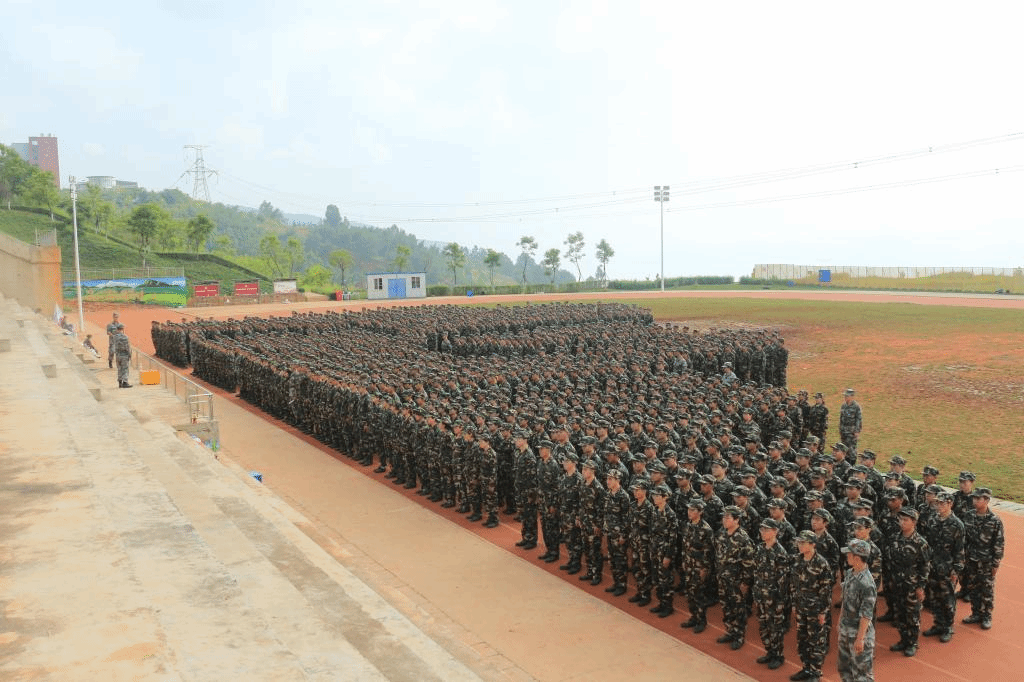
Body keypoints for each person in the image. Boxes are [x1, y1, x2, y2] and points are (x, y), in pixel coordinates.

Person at [790, 530, 834, 682]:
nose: (799, 545)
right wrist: (794, 605)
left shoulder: (821, 564)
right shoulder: (797, 560)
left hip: (815, 610)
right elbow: (793, 584)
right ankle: (806, 668)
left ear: (813, 544)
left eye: (803, 543)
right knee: (802, 640)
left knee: (816, 642)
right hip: (801, 607)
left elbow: (826, 591)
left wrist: (823, 612)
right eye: (799, 542)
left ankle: (815, 673)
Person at [888, 507, 930, 657]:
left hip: (912, 585)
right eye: (900, 519)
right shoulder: (894, 538)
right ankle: (903, 639)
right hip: (897, 583)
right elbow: (890, 559)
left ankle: (912, 643)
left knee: (912, 615)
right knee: (900, 614)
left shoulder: (920, 542)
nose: (902, 522)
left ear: (914, 522)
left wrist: (921, 587)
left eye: (906, 520)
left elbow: (925, 566)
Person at [961, 487, 1004, 630]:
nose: (975, 501)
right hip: (971, 559)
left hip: (986, 562)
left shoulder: (995, 520)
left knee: (986, 589)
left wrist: (996, 563)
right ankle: (975, 613)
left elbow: (999, 543)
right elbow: (964, 538)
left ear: (986, 500)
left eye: (978, 498)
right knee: (973, 587)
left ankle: (986, 616)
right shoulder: (969, 516)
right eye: (974, 498)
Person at [715, 505, 755, 650]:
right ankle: (730, 631)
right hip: (723, 578)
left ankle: (739, 636)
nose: (724, 520)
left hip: (737, 582)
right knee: (726, 607)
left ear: (737, 520)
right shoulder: (721, 533)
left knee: (738, 609)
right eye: (723, 517)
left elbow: (749, 563)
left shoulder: (743, 539)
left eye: (728, 517)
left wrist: (745, 583)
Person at [837, 539, 877, 682]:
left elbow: (866, 614)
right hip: (846, 629)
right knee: (844, 669)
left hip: (858, 633)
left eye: (849, 554)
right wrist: (840, 621)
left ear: (857, 558)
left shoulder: (867, 584)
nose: (846, 556)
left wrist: (860, 639)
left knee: (861, 675)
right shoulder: (850, 573)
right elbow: (845, 599)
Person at [753, 518, 790, 670]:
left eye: (766, 530)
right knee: (763, 627)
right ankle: (769, 652)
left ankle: (778, 656)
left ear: (775, 531)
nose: (763, 532)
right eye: (761, 529)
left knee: (775, 628)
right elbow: (756, 571)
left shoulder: (780, 553)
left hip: (774, 599)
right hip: (760, 595)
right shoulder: (759, 548)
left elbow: (783, 581)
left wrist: (780, 602)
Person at [838, 388, 862, 455]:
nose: (845, 398)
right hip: (844, 432)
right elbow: (841, 418)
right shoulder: (843, 406)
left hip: (851, 432)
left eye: (847, 396)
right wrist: (840, 429)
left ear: (852, 397)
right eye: (845, 396)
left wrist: (857, 431)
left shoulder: (856, 407)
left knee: (851, 450)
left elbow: (858, 419)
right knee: (843, 449)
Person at [113, 322, 132, 388]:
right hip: (124, 355)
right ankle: (125, 382)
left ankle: (120, 382)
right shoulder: (124, 337)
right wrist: (129, 354)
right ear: (122, 329)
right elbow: (127, 347)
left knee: (119, 368)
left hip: (117, 355)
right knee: (125, 369)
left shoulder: (114, 337)